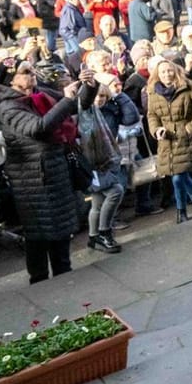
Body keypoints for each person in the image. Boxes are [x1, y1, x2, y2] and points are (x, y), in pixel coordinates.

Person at [0, 61, 93, 282]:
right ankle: (39, 279)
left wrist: (89, 86)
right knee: (39, 232)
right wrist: (66, 99)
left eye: (32, 70)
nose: (32, 76)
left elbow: (79, 105)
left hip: (56, 169)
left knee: (61, 227)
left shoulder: (41, 93)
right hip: (33, 179)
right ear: (11, 80)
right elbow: (37, 128)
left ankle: (63, 272)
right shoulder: (8, 106)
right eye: (26, 72)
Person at [79, 68, 140, 251]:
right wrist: (88, 84)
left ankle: (93, 236)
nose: (99, 99)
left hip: (104, 158)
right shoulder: (85, 109)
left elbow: (132, 117)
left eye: (103, 96)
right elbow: (85, 99)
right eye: (96, 96)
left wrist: (118, 95)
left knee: (97, 201)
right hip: (95, 161)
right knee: (115, 191)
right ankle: (104, 232)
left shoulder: (108, 110)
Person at [145, 58, 192, 221]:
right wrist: (156, 130)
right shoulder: (153, 92)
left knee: (177, 175)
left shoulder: (188, 86)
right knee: (179, 172)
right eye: (163, 72)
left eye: (169, 70)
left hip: (186, 136)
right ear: (157, 75)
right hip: (166, 139)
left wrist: (191, 126)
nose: (167, 74)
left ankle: (181, 211)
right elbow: (152, 115)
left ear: (175, 71)